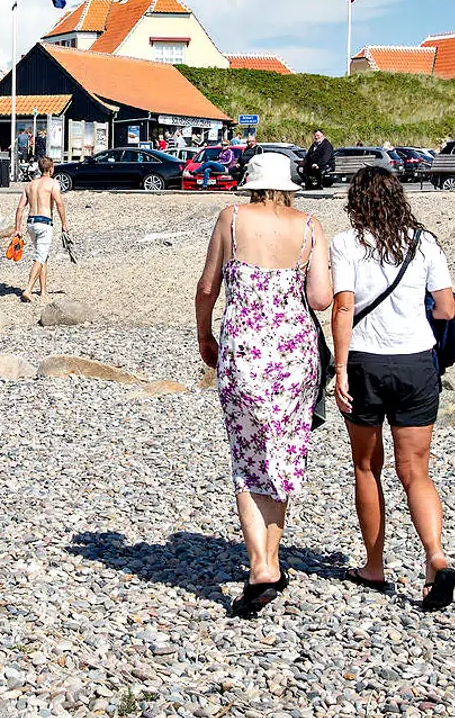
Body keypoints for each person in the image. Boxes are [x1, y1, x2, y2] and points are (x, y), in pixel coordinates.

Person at [195, 154, 333, 618]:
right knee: (282, 454)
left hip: (244, 351)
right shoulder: (310, 225)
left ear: (252, 183)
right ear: (290, 186)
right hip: (295, 356)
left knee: (248, 456)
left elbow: (207, 286)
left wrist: (204, 335)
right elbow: (320, 298)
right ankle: (269, 561)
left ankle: (262, 566)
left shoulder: (231, 218)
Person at [330, 166, 455, 613]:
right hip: (416, 362)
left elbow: (342, 307)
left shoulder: (346, 243)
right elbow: (445, 309)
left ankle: (374, 566)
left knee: (367, 468)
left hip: (365, 362)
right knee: (416, 471)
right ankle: (436, 558)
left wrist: (340, 370)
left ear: (356, 202)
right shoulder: (425, 243)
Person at [13, 156, 68, 304]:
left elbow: (20, 208)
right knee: (40, 258)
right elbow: (59, 204)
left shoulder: (30, 185)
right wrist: (64, 223)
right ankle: (28, 290)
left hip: (31, 223)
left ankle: (43, 291)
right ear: (51, 169)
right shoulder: (52, 183)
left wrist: (17, 228)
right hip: (44, 223)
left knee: (42, 256)